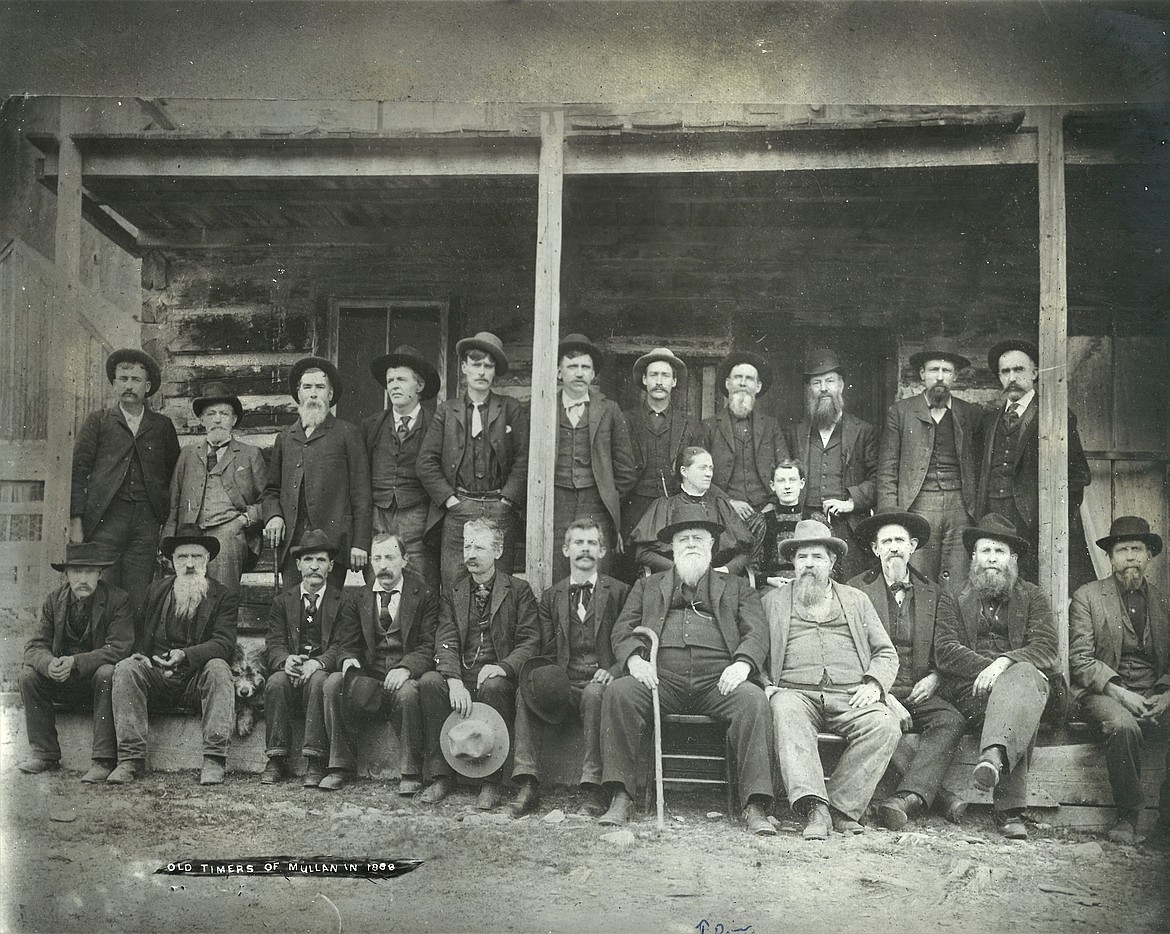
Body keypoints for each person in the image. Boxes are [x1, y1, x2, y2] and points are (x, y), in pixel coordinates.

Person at [598, 517, 777, 836]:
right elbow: (622, 629)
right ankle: (621, 796)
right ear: (672, 548)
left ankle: (755, 805)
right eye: (683, 540)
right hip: (660, 679)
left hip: (719, 681)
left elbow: (757, 631)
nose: (691, 544)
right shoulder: (648, 586)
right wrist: (635, 660)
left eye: (699, 538)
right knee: (619, 693)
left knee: (754, 701)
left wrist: (744, 665)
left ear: (712, 546)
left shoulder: (737, 587)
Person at [762, 519, 902, 839]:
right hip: (796, 693)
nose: (809, 564)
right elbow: (753, 649)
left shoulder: (856, 600)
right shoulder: (773, 602)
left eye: (817, 557)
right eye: (802, 557)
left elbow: (886, 653)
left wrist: (874, 684)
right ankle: (815, 809)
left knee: (885, 723)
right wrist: (766, 684)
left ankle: (841, 808)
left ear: (832, 562)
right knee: (783, 708)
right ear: (793, 562)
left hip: (850, 693)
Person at [934, 514, 1059, 839]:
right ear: (973, 557)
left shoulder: (1033, 597)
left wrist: (1003, 663)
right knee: (1018, 706)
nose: (991, 558)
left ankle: (993, 755)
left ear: (1013, 559)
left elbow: (1048, 650)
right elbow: (945, 650)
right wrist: (986, 669)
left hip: (1027, 685)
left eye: (999, 551)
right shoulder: (953, 597)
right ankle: (1009, 812)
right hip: (972, 696)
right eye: (985, 550)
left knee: (1022, 678)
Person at [847, 509, 968, 828]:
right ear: (875, 549)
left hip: (918, 689)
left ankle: (907, 798)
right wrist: (883, 693)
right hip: (875, 689)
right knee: (884, 723)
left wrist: (935, 676)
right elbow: (849, 651)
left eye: (900, 540)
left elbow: (946, 648)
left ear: (912, 546)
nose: (894, 547)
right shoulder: (855, 590)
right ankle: (934, 795)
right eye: (886, 541)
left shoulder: (935, 593)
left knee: (950, 718)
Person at [508, 518, 631, 818]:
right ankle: (527, 783)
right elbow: (547, 650)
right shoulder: (552, 596)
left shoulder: (620, 592)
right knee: (526, 692)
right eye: (579, 543)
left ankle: (592, 788)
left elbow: (629, 641)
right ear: (565, 550)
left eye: (592, 544)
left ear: (602, 551)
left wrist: (613, 670)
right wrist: (549, 680)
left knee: (593, 694)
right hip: (565, 681)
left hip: (602, 683)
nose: (585, 550)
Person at [419, 518, 541, 807]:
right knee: (429, 683)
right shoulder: (453, 591)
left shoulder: (519, 590)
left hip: (499, 678)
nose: (470, 554)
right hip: (463, 675)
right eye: (466, 546)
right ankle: (442, 774)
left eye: (479, 547)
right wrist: (453, 680)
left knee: (494, 685)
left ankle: (491, 781)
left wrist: (503, 666)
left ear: (498, 551)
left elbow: (530, 641)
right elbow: (445, 638)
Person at [108, 525, 238, 785]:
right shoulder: (156, 590)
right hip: (157, 676)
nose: (190, 564)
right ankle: (130, 760)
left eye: (196, 557)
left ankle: (214, 759)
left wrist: (185, 655)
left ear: (208, 560)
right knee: (125, 668)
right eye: (182, 557)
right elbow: (138, 631)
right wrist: (141, 654)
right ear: (173, 562)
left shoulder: (223, 595)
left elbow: (224, 644)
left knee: (219, 668)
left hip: (195, 679)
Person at [1069, 516, 1170, 846]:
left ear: (1148, 556)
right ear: (1110, 558)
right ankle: (1128, 816)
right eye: (1122, 549)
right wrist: (1120, 693)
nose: (1130, 557)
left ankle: (1165, 824)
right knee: (1122, 726)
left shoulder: (1164, 601)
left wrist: (1166, 694)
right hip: (1103, 693)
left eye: (1137, 549)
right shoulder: (1088, 597)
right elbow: (1080, 661)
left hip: (1155, 693)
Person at [317, 530, 439, 792]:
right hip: (369, 677)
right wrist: (348, 660)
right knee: (332, 683)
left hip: (404, 675)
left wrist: (406, 667)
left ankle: (410, 772)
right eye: (377, 558)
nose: (383, 566)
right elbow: (346, 644)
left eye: (390, 557)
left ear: (405, 560)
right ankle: (339, 765)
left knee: (408, 693)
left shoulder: (423, 594)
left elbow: (429, 645)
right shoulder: (356, 597)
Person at [71, 348, 180, 620]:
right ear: (114, 383)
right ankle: (100, 653)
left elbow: (172, 474)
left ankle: (134, 656)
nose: (128, 385)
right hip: (105, 519)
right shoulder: (98, 422)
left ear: (148, 386)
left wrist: (164, 519)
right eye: (123, 379)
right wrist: (76, 521)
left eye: (135, 379)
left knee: (138, 591)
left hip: (145, 522)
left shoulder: (162, 426)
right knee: (103, 585)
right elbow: (78, 473)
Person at [975, 338, 1092, 585]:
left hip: (1034, 523)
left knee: (1032, 585)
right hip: (993, 517)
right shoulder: (988, 421)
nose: (1012, 377)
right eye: (1005, 371)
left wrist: (1051, 516)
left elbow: (1079, 474)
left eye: (1019, 370)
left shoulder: (1055, 416)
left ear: (1035, 373)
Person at [417, 331, 529, 587]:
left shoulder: (509, 408)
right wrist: (450, 500)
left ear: (494, 372)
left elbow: (523, 459)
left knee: (498, 584)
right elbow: (426, 462)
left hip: (499, 509)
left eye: (488, 366)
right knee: (455, 583)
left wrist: (507, 500)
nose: (481, 372)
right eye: (476, 365)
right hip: (459, 509)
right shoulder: (447, 411)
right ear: (465, 367)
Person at [18, 543, 133, 783]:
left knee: (107, 672)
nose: (83, 578)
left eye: (90, 572)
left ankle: (103, 760)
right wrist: (49, 664)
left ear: (100, 574)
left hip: (96, 685)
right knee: (29, 675)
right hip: (61, 680)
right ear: (66, 574)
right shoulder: (53, 601)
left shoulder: (117, 600)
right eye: (76, 572)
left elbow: (120, 647)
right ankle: (44, 754)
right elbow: (35, 645)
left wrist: (76, 662)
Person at [875, 337, 982, 585]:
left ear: (954, 377)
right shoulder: (900, 412)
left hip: (960, 508)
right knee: (919, 577)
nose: (940, 377)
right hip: (918, 505)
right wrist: (891, 516)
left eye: (947, 371)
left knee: (958, 578)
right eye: (934, 370)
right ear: (923, 374)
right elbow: (887, 470)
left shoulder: (970, 414)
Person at [262, 356, 372, 589]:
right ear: (299, 394)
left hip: (332, 543)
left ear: (330, 395)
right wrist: (274, 515)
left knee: (327, 613)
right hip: (293, 542)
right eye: (307, 387)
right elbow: (271, 490)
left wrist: (360, 543)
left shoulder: (347, 434)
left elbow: (361, 493)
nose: (313, 394)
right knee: (294, 611)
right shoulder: (285, 438)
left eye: (320, 387)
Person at [259, 529, 349, 787]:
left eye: (321, 561)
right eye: (308, 560)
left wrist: (319, 662)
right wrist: (285, 660)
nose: (314, 567)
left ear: (331, 566)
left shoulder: (342, 602)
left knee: (319, 680)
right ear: (298, 565)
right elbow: (274, 642)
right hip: (291, 670)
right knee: (276, 682)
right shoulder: (281, 602)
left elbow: (343, 644)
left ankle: (315, 759)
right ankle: (276, 758)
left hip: (320, 671)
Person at [162, 381, 266, 596]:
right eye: (211, 414)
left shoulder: (249, 454)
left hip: (228, 536)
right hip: (189, 536)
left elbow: (268, 500)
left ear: (234, 420)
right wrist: (166, 542)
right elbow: (174, 503)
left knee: (223, 599)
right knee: (187, 598)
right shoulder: (188, 454)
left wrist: (244, 521)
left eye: (224, 414)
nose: (217, 419)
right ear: (201, 420)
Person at [785, 348, 878, 582]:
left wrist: (850, 502)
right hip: (805, 523)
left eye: (830, 381)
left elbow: (879, 479)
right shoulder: (796, 432)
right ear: (809, 390)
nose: (824, 388)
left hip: (849, 527)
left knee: (850, 586)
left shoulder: (863, 431)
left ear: (841, 385)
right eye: (816, 383)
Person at [551, 333, 638, 582]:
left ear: (593, 374)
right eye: (572, 366)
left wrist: (606, 494)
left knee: (597, 569)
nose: (579, 373)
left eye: (585, 367)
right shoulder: (544, 406)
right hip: (557, 503)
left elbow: (625, 470)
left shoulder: (609, 410)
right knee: (558, 566)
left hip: (596, 504)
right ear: (559, 372)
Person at [362, 345, 442, 590]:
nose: (394, 386)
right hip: (378, 515)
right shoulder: (372, 425)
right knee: (379, 578)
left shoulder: (437, 422)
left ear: (419, 386)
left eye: (401, 379)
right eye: (390, 380)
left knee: (419, 580)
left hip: (417, 515)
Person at [620, 347, 700, 579]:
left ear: (674, 381)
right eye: (653, 375)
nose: (659, 381)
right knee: (631, 572)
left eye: (665, 376)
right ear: (644, 380)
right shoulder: (625, 420)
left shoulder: (689, 425)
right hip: (633, 510)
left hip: (673, 510)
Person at [699, 350, 785, 545]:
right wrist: (729, 503)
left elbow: (784, 467)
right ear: (728, 383)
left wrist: (772, 504)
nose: (743, 383)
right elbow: (698, 474)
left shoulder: (771, 426)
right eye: (738, 377)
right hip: (723, 513)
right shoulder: (709, 426)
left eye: (749, 379)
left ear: (758, 386)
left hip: (766, 513)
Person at [628, 446, 755, 577]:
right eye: (702, 468)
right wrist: (679, 570)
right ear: (684, 471)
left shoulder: (721, 506)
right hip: (675, 580)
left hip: (719, 579)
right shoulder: (664, 506)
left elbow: (745, 552)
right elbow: (643, 554)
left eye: (711, 468)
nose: (709, 473)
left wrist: (726, 570)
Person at [756, 459, 808, 587]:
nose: (787, 486)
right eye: (781, 481)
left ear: (801, 483)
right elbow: (751, 566)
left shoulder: (814, 519)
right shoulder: (762, 522)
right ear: (772, 485)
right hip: (773, 589)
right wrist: (767, 580)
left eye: (792, 480)